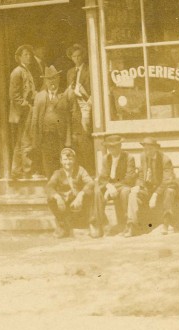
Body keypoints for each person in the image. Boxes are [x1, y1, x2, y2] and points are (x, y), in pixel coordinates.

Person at [125, 136, 179, 236]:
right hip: (148, 188)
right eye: (145, 149)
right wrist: (138, 185)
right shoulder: (143, 157)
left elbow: (167, 180)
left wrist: (156, 194)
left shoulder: (165, 159)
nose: (147, 152)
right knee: (133, 194)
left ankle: (166, 223)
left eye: (150, 149)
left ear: (156, 149)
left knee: (170, 191)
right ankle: (132, 225)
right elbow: (141, 175)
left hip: (163, 188)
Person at [30, 65, 71, 177]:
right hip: (45, 137)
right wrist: (34, 138)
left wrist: (68, 139)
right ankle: (51, 188)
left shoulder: (65, 95)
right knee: (47, 164)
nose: (52, 82)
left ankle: (61, 189)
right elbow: (35, 119)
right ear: (45, 81)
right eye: (49, 79)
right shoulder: (40, 96)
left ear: (58, 79)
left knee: (62, 164)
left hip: (60, 137)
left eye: (54, 78)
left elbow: (69, 119)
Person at [46, 147, 96, 238]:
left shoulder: (80, 170)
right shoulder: (57, 173)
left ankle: (91, 224)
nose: (68, 162)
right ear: (61, 161)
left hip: (78, 201)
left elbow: (90, 182)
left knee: (91, 193)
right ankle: (62, 226)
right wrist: (57, 197)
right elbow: (49, 186)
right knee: (51, 199)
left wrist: (81, 195)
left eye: (70, 159)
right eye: (65, 159)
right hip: (64, 203)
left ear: (74, 160)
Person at [92, 134, 137, 235]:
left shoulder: (129, 157)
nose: (112, 149)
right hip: (110, 187)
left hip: (124, 185)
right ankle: (99, 225)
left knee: (125, 192)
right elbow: (102, 177)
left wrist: (113, 188)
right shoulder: (106, 158)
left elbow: (129, 179)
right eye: (109, 147)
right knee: (97, 191)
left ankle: (127, 224)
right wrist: (108, 186)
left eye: (115, 146)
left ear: (120, 146)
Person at [8, 44, 37, 179]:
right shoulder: (17, 72)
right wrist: (25, 106)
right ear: (19, 57)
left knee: (21, 141)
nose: (29, 56)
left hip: (26, 111)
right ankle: (26, 170)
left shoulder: (26, 70)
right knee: (25, 140)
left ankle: (16, 170)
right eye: (25, 54)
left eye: (29, 54)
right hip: (22, 112)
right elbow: (14, 95)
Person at [64, 43, 94, 173]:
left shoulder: (89, 70)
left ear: (83, 56)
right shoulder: (70, 72)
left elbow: (94, 89)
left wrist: (89, 101)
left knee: (85, 133)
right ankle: (79, 167)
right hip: (73, 106)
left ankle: (90, 166)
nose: (76, 59)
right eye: (74, 56)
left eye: (78, 56)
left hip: (85, 104)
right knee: (75, 136)